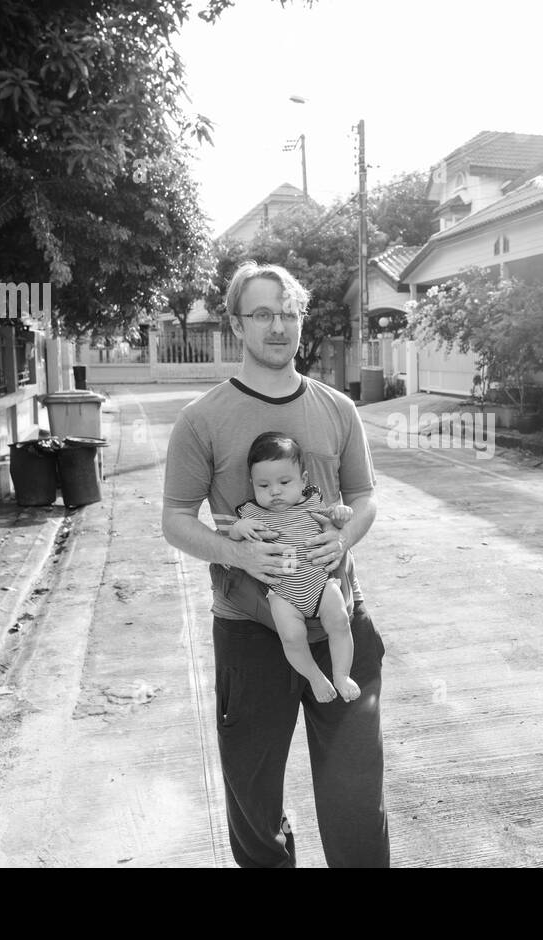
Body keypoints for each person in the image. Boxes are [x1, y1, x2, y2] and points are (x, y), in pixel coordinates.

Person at [160, 261, 389, 869]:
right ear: (236, 323)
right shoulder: (202, 419)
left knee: (356, 796)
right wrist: (238, 552)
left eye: (288, 312)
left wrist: (343, 542)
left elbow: (363, 499)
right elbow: (175, 518)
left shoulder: (338, 408)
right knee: (254, 800)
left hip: (339, 617)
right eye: (262, 313)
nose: (278, 326)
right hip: (249, 631)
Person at [230, 431, 360, 704]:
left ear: (303, 481)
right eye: (263, 485)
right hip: (283, 593)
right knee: (291, 637)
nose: (274, 491)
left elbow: (335, 523)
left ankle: (341, 675)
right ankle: (315, 677)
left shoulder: (312, 503)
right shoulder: (251, 513)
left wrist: (341, 515)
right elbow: (234, 537)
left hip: (319, 583)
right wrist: (239, 528)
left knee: (339, 621)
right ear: (251, 483)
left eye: (284, 482)